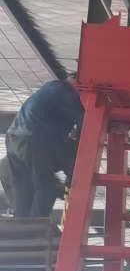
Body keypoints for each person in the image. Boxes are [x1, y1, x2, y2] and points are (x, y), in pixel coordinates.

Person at [5, 77, 85, 218]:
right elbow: (86, 123)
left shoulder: (50, 89)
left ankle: (21, 226)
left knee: (24, 194)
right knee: (46, 189)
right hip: (35, 139)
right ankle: (35, 226)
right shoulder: (67, 92)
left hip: (13, 139)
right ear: (76, 83)